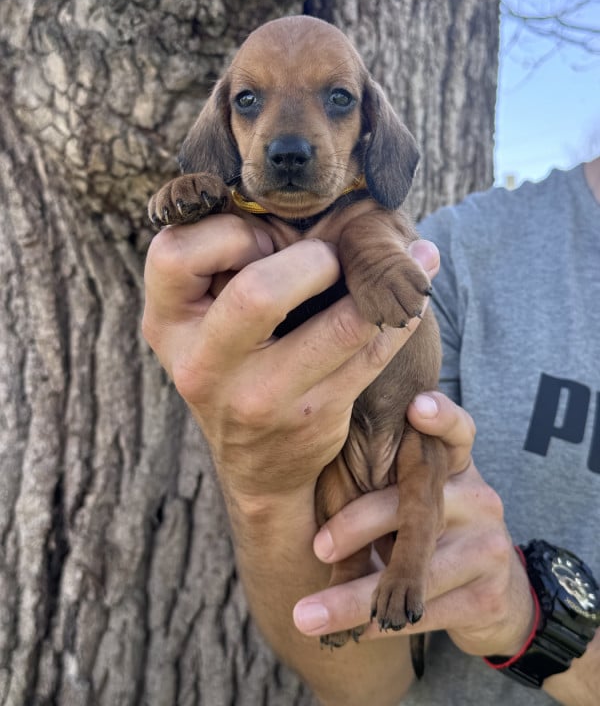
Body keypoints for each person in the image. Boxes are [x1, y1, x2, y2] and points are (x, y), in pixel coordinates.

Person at [142, 157, 600, 705]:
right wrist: (265, 489)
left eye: (338, 108)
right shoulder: (460, 251)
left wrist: (532, 620)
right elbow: (362, 685)